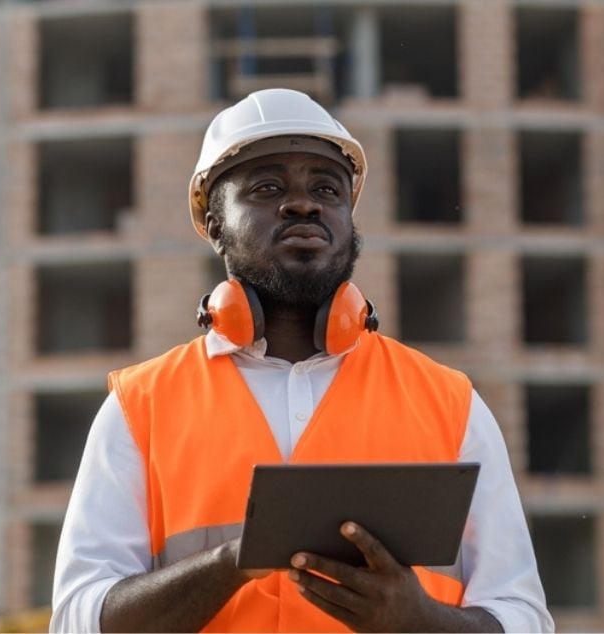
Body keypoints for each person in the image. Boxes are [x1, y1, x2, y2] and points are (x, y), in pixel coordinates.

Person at [50, 88, 552, 633]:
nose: (304, 203)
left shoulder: (449, 403)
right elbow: (78, 621)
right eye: (267, 188)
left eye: (326, 188)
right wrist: (229, 564)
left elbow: (524, 618)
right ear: (215, 225)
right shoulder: (140, 407)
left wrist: (418, 622)